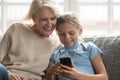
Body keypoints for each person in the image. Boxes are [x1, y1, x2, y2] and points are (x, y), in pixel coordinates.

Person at [0, 0, 61, 80]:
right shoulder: (16, 29)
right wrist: (8, 74)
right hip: (6, 76)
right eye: (44, 20)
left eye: (53, 18)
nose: (49, 24)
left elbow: (49, 76)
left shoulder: (57, 44)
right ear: (34, 18)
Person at [45, 12, 108, 80]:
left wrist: (77, 75)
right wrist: (49, 73)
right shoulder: (56, 55)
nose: (67, 37)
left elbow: (104, 77)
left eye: (71, 33)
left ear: (80, 31)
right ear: (58, 34)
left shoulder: (89, 48)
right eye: (62, 34)